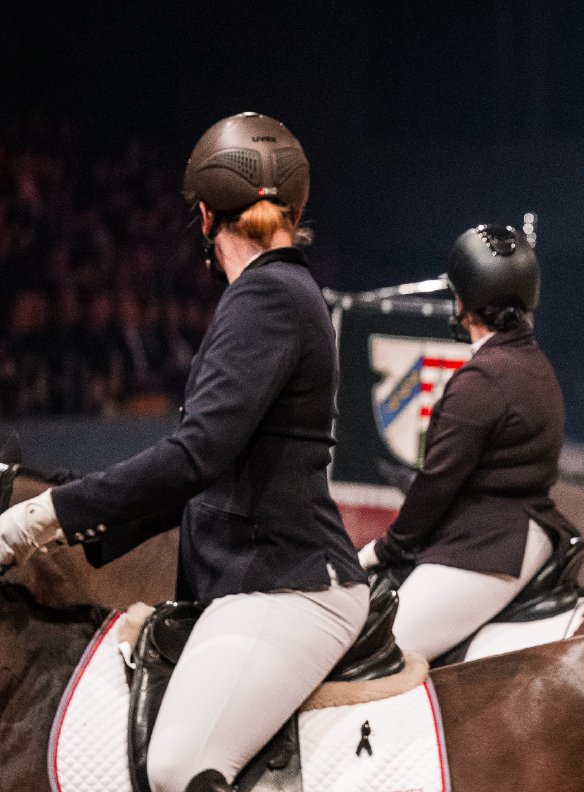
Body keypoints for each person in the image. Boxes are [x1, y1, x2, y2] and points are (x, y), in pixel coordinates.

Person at [0, 112, 369, 792]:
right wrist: (69, 521)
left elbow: (195, 455)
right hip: (264, 580)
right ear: (292, 204)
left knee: (178, 765)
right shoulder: (285, 291)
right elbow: (212, 471)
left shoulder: (264, 296)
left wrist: (37, 518)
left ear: (205, 214)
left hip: (284, 585)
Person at [358, 224, 579, 660]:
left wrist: (385, 549)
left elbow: (437, 481)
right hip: (525, 534)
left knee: (377, 652)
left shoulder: (484, 377)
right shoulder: (533, 363)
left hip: (488, 546)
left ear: (463, 301)